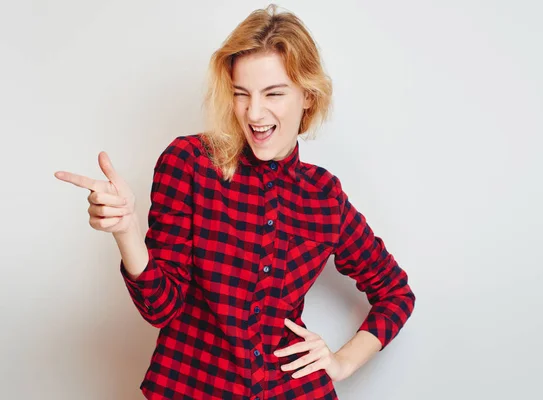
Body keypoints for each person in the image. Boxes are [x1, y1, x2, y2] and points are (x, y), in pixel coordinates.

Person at [55, 4, 415, 399]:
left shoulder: (324, 197)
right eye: (241, 94)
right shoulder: (189, 163)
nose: (254, 113)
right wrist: (127, 233)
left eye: (273, 93)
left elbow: (396, 292)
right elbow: (161, 309)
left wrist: (342, 362)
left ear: (308, 96)